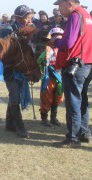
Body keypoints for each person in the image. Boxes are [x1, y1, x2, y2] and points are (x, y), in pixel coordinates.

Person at [50, 0, 92, 148]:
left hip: (76, 65)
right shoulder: (86, 15)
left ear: (68, 3)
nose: (58, 9)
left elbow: (68, 43)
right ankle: (84, 133)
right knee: (82, 100)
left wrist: (55, 41)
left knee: (73, 101)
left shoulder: (75, 16)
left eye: (59, 5)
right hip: (87, 63)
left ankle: (73, 139)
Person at [0, 5, 35, 138]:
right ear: (19, 18)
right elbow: (3, 52)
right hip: (11, 70)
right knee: (15, 96)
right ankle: (20, 127)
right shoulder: (7, 30)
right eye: (28, 16)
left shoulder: (30, 29)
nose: (30, 19)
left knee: (15, 95)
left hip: (23, 68)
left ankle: (9, 124)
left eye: (31, 16)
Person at [38, 27, 65, 127]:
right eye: (55, 37)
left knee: (58, 98)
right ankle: (44, 118)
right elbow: (39, 62)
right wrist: (44, 64)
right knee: (46, 98)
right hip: (49, 78)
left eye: (60, 37)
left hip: (60, 78)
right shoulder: (47, 51)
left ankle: (53, 118)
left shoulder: (64, 50)